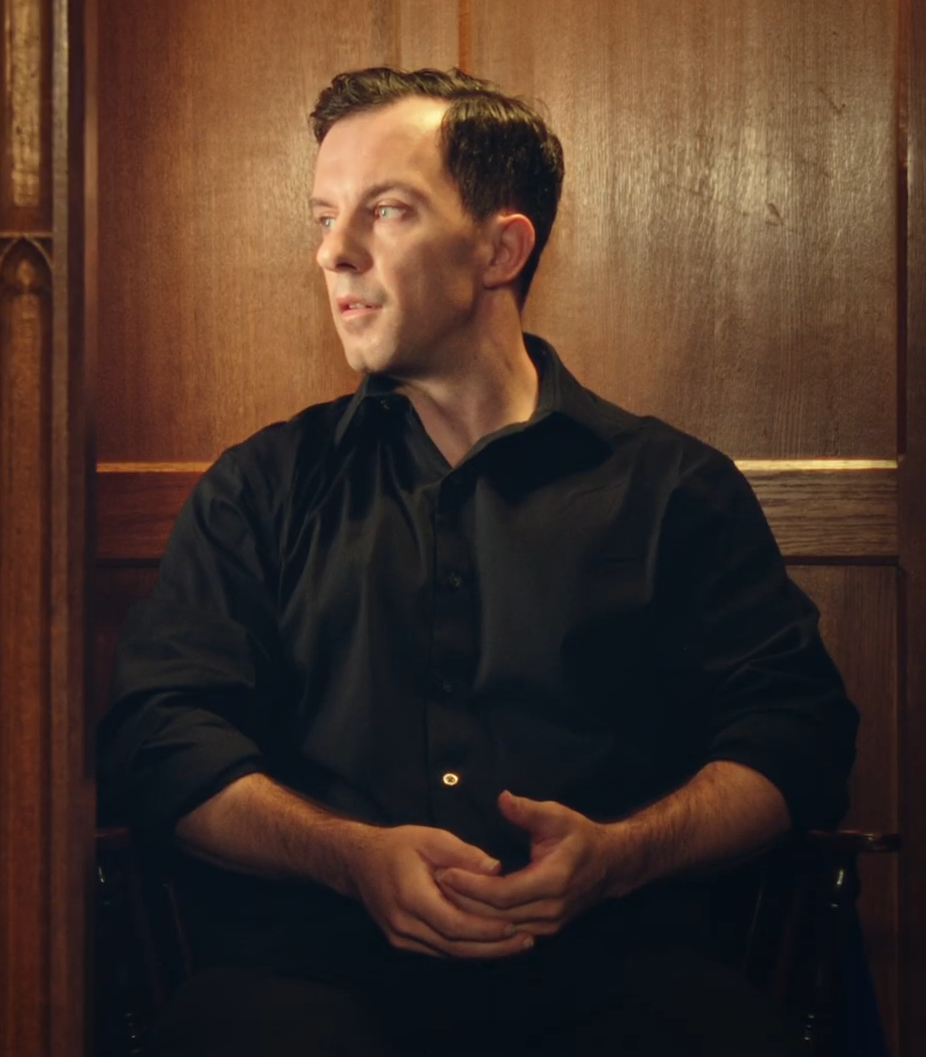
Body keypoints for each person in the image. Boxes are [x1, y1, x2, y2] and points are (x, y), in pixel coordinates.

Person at [98, 67, 859, 1055]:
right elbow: (159, 740)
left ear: (501, 246)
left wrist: (617, 857)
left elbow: (795, 734)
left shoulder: (673, 489)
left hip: (617, 971)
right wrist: (349, 859)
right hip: (309, 977)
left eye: (386, 210)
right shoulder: (259, 488)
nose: (334, 252)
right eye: (324, 216)